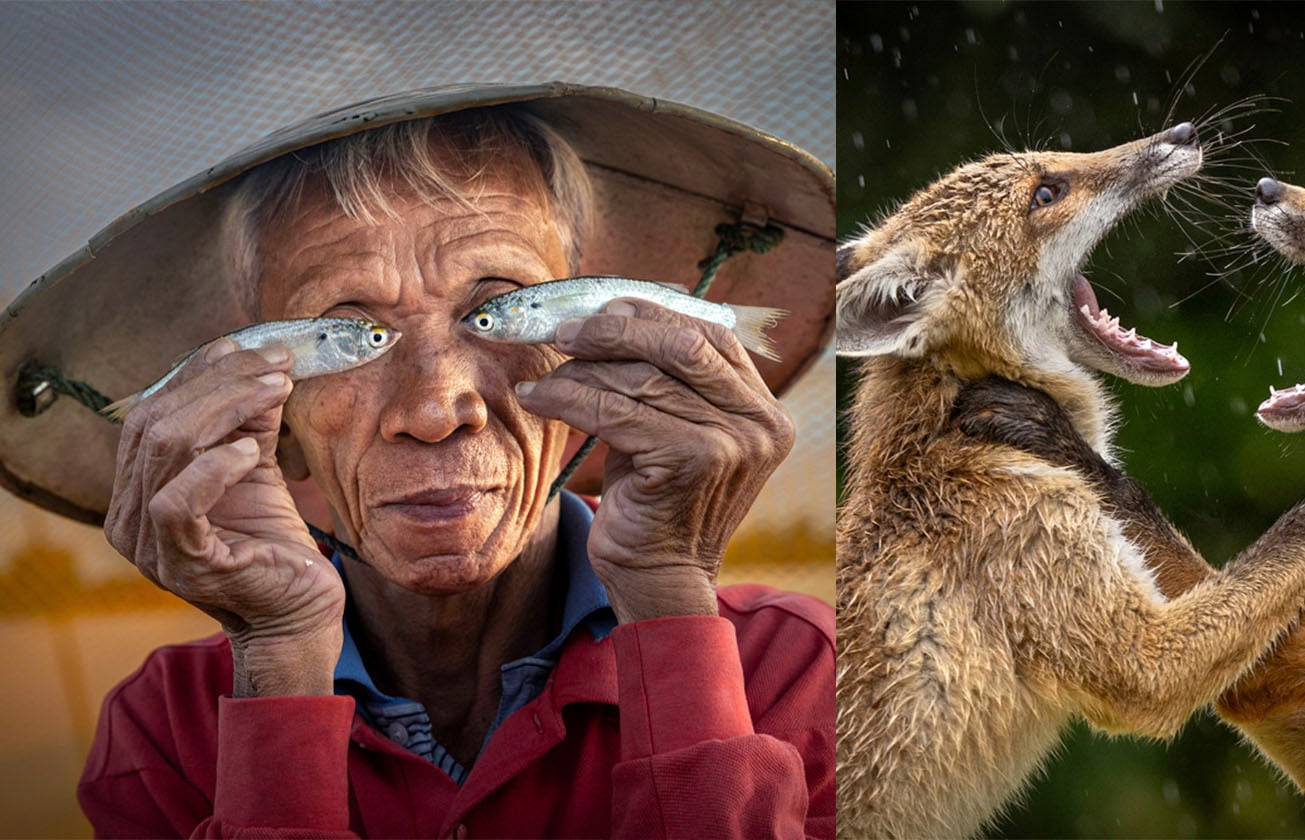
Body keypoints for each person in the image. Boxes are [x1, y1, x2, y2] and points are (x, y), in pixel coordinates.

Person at [16, 89, 837, 837]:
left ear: (598, 355)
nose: (436, 408)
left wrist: (667, 595)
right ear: (273, 412)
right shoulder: (165, 733)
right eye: (345, 330)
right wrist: (280, 659)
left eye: (495, 309)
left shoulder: (805, 672)